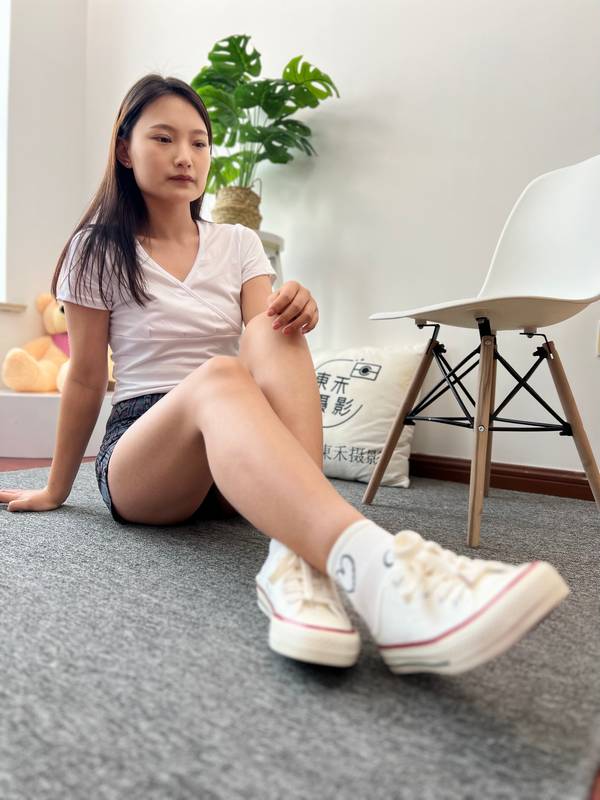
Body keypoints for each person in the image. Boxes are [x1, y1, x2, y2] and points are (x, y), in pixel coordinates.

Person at [0, 74, 570, 675]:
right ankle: (384, 573)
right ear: (124, 149)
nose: (184, 156)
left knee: (275, 325)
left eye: (198, 142)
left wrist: (297, 306)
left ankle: (297, 563)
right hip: (147, 453)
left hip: (237, 449)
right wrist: (57, 488)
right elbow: (86, 378)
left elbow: (265, 342)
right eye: (163, 139)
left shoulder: (238, 243)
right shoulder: (97, 249)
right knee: (220, 374)